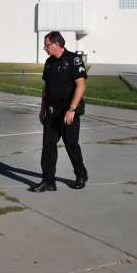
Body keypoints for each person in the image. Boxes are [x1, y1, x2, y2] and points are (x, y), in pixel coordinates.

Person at [29, 31, 89, 192]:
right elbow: (46, 87)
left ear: (57, 44)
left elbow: (80, 86)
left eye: (46, 45)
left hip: (68, 110)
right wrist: (42, 109)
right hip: (51, 112)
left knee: (71, 144)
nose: (44, 48)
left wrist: (71, 109)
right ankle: (48, 181)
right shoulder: (49, 62)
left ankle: (81, 175)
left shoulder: (73, 60)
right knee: (48, 146)